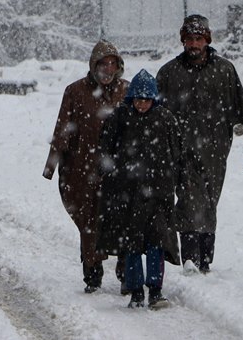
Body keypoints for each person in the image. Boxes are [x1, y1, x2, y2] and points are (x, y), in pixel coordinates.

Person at [157, 14, 243, 274]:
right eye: (189, 39)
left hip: (215, 149)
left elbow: (240, 103)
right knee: (188, 200)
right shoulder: (170, 73)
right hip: (181, 149)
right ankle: (191, 258)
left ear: (207, 40)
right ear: (183, 41)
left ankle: (206, 259)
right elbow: (154, 111)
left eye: (198, 39)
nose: (194, 44)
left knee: (209, 201)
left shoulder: (224, 70)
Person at [43, 40, 129, 294]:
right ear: (93, 65)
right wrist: (52, 165)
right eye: (103, 63)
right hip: (83, 168)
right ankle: (92, 272)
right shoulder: (76, 91)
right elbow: (63, 128)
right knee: (89, 220)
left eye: (112, 63)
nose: (108, 69)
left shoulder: (126, 90)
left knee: (123, 218)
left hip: (118, 169)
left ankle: (126, 271)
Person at [96, 69, 182, 309]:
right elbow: (105, 151)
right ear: (131, 98)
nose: (142, 103)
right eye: (138, 98)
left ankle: (155, 291)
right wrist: (110, 174)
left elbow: (176, 154)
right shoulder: (119, 118)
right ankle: (135, 292)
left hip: (158, 195)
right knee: (132, 245)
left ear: (153, 99)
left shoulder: (166, 119)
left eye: (146, 99)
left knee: (156, 244)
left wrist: (173, 180)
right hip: (128, 195)